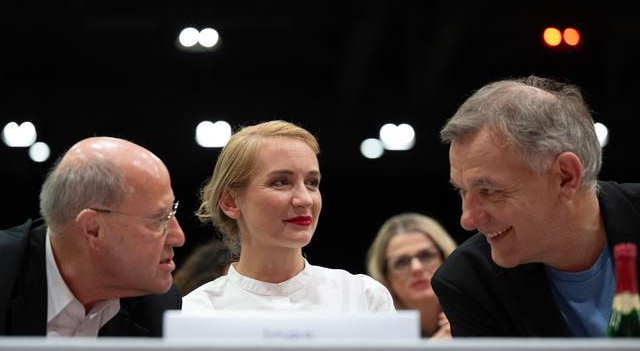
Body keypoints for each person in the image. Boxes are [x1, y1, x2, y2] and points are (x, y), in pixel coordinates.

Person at [431, 76, 640, 337]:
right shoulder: (469, 283)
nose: (468, 219)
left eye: (489, 191)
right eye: (462, 191)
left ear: (566, 177)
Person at [183, 120, 394, 311]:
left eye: (312, 183)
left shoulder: (363, 298)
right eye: (281, 182)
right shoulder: (197, 311)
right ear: (230, 201)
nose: (305, 199)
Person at [0, 136, 185, 337]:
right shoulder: (6, 273)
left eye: (172, 212)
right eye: (159, 218)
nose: (178, 237)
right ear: (93, 229)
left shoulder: (157, 307)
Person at [366, 213, 457, 338]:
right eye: (401, 263)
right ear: (385, 276)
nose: (416, 268)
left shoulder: (475, 311)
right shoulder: (373, 329)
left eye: (426, 255)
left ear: (446, 258)